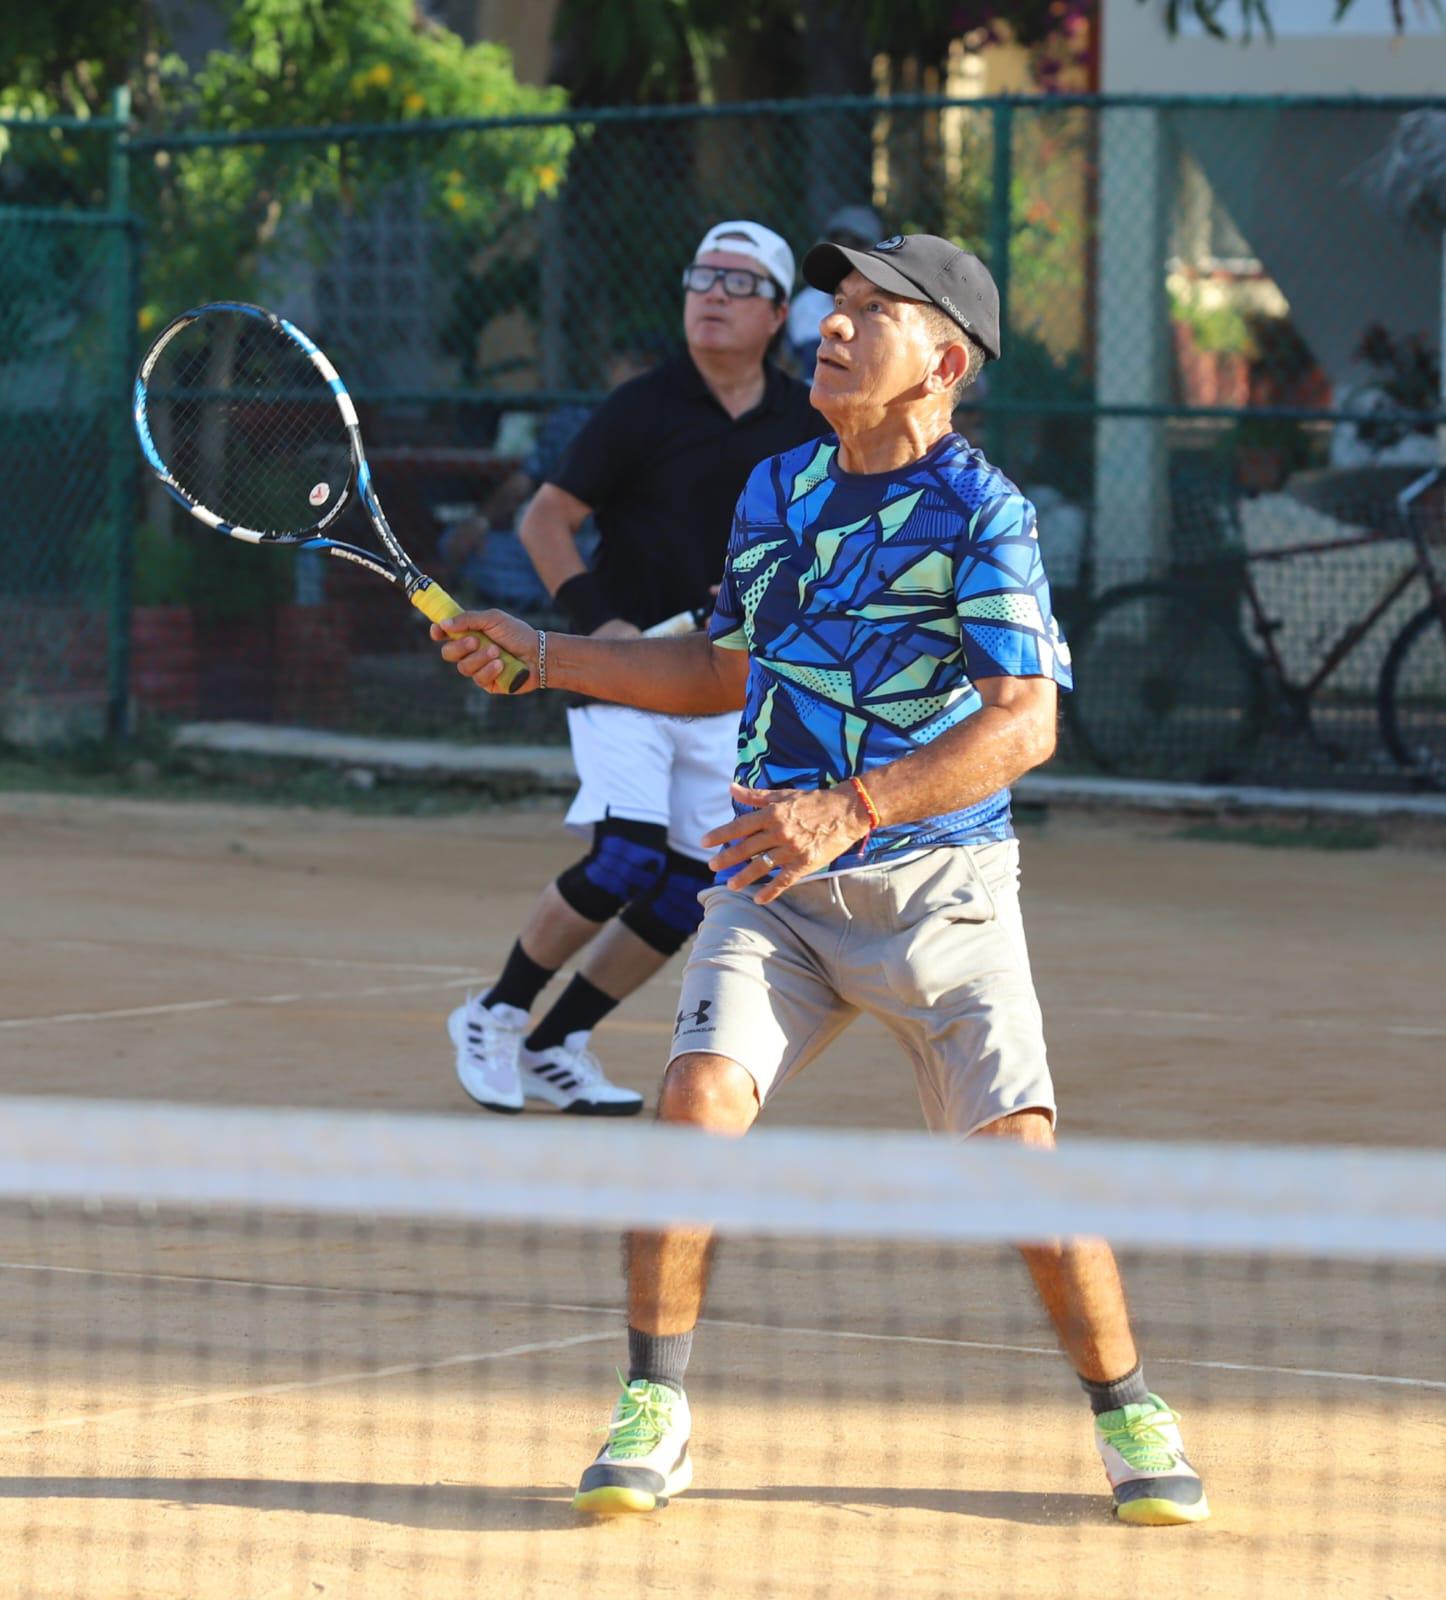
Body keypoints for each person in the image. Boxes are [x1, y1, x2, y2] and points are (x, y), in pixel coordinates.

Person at [433, 233, 1209, 1526]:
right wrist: (546, 656)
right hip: (774, 890)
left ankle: (1127, 1406)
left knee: (1021, 1170)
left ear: (944, 361)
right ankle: (654, 1410)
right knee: (691, 1108)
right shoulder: (780, 488)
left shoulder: (982, 513)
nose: (828, 328)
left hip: (938, 893)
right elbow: (716, 672)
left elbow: (1023, 723)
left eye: (868, 313)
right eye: (831, 307)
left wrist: (845, 810)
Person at [446, 220, 828, 1116]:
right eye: (702, 278)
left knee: (696, 885)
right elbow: (545, 520)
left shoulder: (805, 420)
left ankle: (555, 1041)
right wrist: (601, 629)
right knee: (624, 858)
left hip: (726, 681)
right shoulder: (641, 407)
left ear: (777, 313)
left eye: (739, 284)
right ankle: (494, 1013)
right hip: (622, 674)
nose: (714, 296)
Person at [784, 204, 880, 373]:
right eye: (837, 241)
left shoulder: (886, 309)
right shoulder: (805, 304)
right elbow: (787, 366)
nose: (845, 251)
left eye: (856, 243)